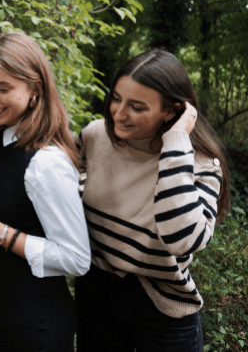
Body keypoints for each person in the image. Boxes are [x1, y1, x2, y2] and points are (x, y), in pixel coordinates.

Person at [74, 49, 231, 352]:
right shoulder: (94, 137)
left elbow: (183, 240)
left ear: (171, 112)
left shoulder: (201, 164)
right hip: (95, 290)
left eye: (137, 106)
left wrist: (175, 145)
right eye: (116, 98)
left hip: (161, 304)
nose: (118, 113)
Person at [0, 32, 91, 351]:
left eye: (3, 88)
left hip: (33, 330)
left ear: (35, 90)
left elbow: (76, 259)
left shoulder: (47, 163)